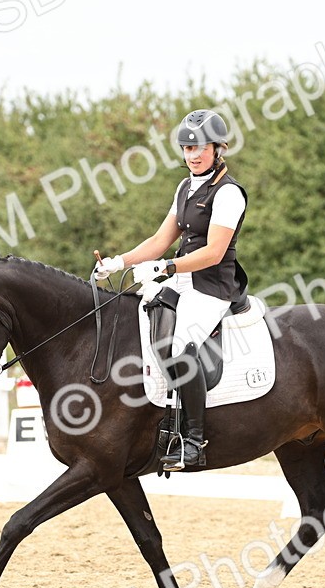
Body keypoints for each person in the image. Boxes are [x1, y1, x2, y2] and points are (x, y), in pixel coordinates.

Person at [94, 109, 249, 471]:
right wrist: (121, 262)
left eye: (200, 148)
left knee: (179, 347)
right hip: (181, 281)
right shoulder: (185, 187)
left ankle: (193, 442)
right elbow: (161, 239)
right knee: (139, 324)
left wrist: (167, 267)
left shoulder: (228, 194)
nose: (192, 155)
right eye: (186, 147)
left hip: (213, 287)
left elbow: (213, 253)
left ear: (218, 148)